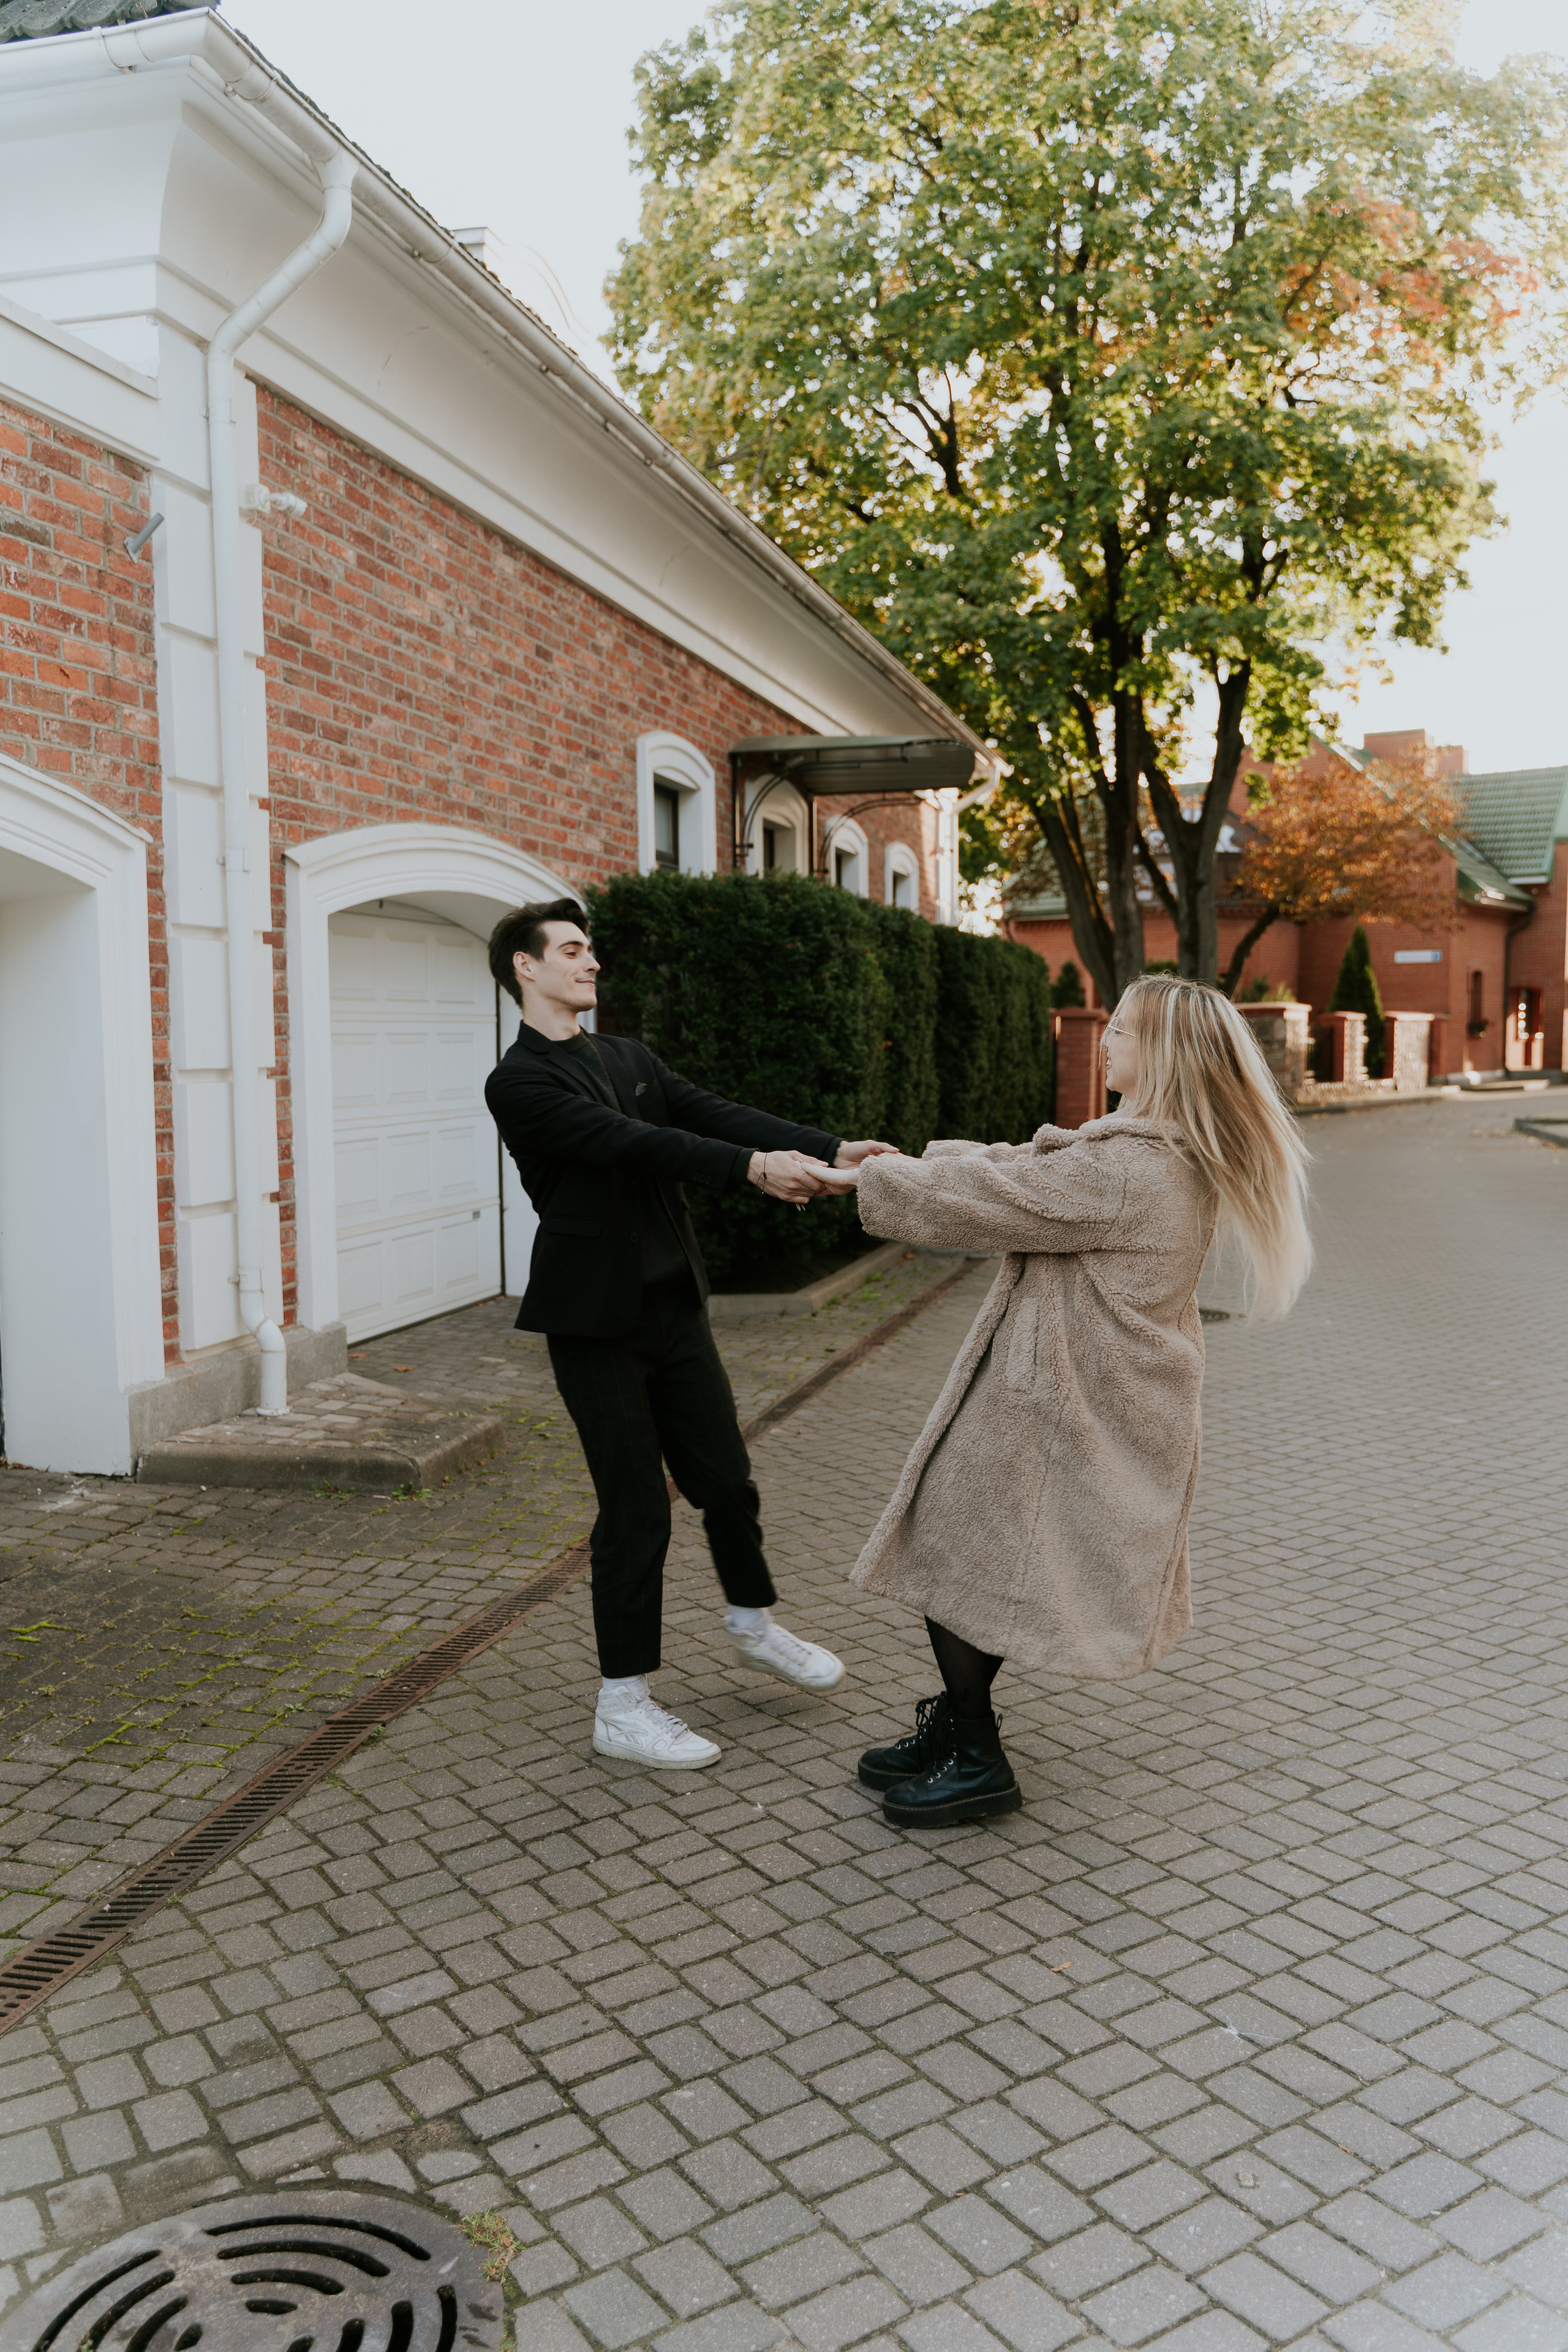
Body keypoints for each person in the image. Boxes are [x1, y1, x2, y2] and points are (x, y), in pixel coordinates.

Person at [841, 974, 1312, 1828]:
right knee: (971, 1552)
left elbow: (995, 1202)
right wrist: (908, 1162)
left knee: (959, 1550)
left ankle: (975, 1754)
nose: (1106, 1039)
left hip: (1062, 1408)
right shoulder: (1145, 1152)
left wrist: (874, 1183)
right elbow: (1025, 1169)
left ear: (1161, 1053)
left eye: (1124, 1030)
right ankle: (958, 1727)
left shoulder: (1133, 1169)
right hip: (1072, 1399)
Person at [484, 898, 894, 1771]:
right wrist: (752, 1171)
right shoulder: (519, 1082)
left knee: (727, 1482)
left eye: (590, 950)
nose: (591, 963)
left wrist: (826, 1146)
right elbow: (632, 1144)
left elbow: (708, 1112)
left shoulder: (627, 1055)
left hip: (674, 1307)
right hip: (594, 1324)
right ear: (525, 967)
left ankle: (753, 1625)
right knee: (634, 1511)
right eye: (571, 950)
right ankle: (622, 1704)